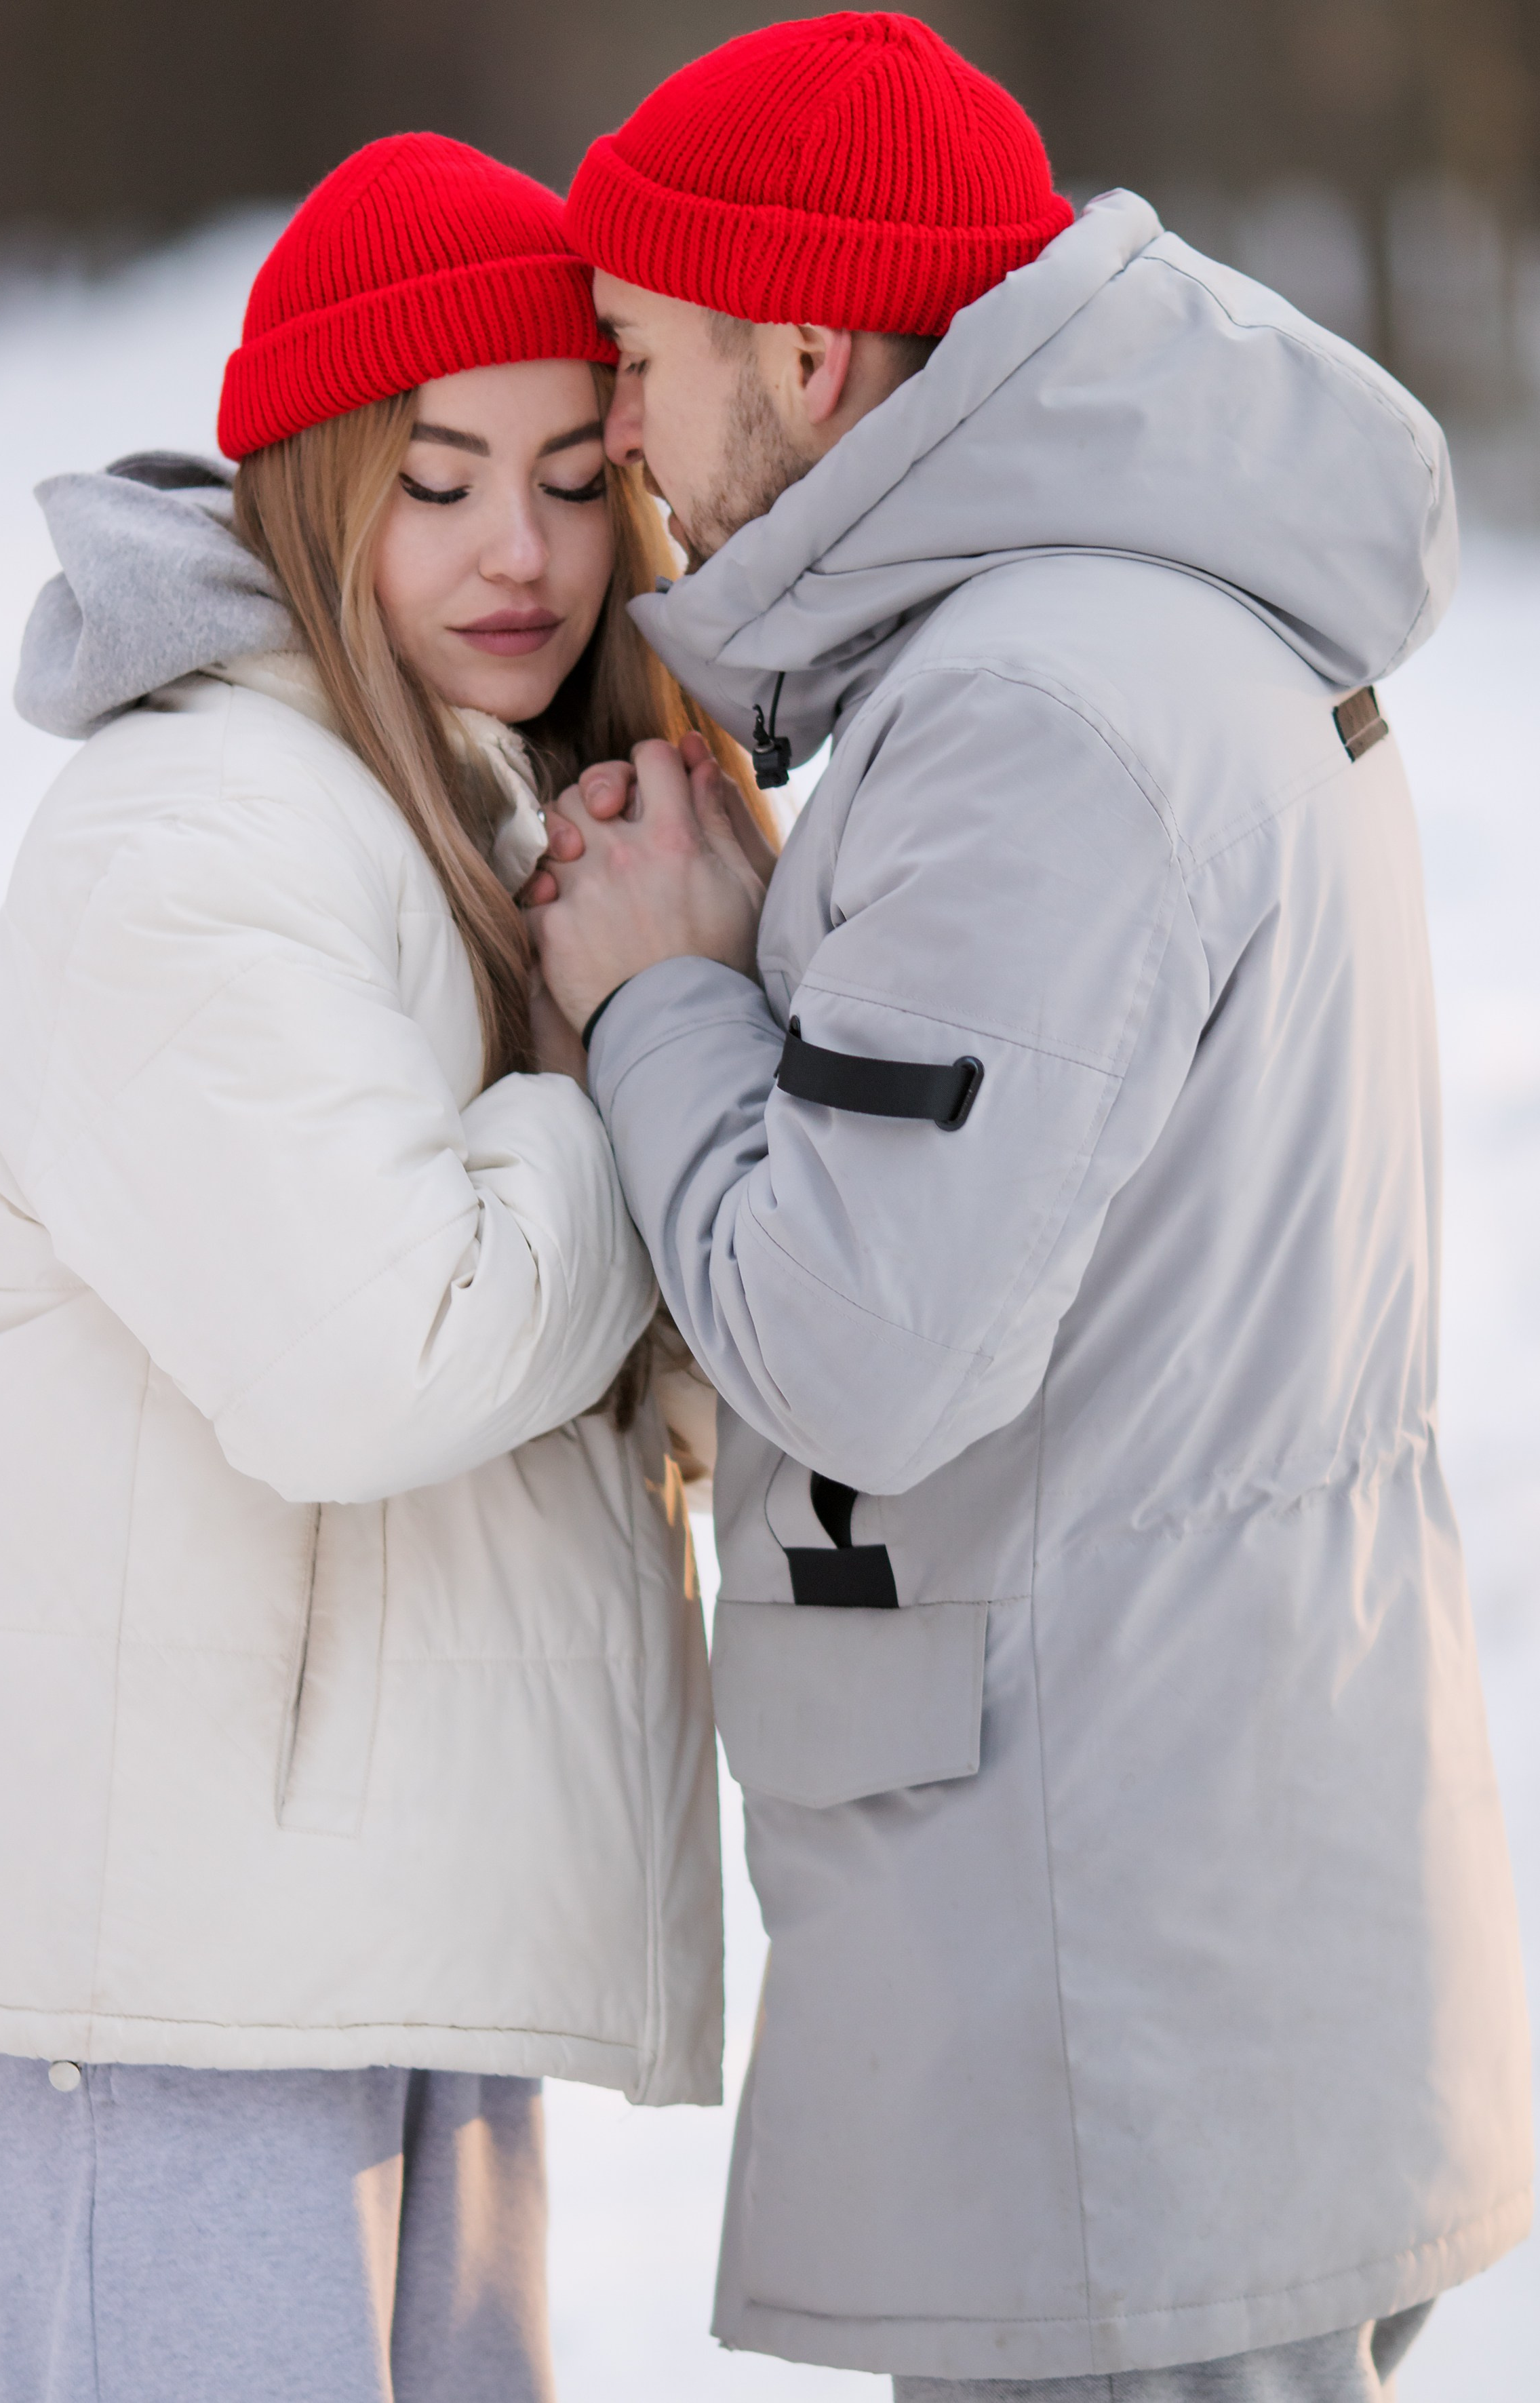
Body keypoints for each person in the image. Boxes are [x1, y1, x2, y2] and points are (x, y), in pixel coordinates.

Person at [528, 13, 1533, 2400]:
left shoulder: (1032, 713)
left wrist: (661, 997)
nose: (625, 437)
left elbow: (860, 1341)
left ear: (806, 353)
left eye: (642, 358)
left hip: (1110, 1994)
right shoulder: (1135, 628)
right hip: (1196, 1931)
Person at [0, 132, 744, 2403]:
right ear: (311, 494)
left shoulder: (470, 804)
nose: (522, 554)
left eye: (574, 479)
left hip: (368, 1921)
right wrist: (615, 1050)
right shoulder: (199, 827)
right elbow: (370, 1362)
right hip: (171, 1976)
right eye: (438, 480)